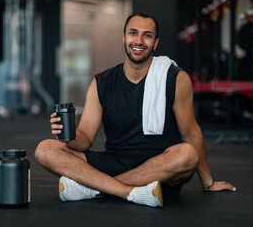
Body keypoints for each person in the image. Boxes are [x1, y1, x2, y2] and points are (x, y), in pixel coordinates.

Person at [35, 12, 236, 207]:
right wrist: (68, 137)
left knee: (187, 154)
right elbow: (85, 138)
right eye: (133, 33)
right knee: (45, 149)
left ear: (155, 43)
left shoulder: (175, 78)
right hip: (114, 161)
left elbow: (191, 133)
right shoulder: (101, 82)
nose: (139, 40)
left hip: (161, 168)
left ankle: (95, 189)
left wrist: (208, 183)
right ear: (123, 38)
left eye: (147, 35)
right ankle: (130, 192)